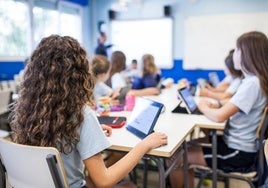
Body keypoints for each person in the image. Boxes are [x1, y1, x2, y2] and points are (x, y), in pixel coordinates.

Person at [9, 35, 168, 188]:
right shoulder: (81, 114)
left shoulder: (29, 110)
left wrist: (90, 132)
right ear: (80, 73)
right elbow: (104, 181)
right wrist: (144, 145)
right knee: (130, 186)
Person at [168, 31, 268, 188]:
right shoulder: (254, 80)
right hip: (238, 145)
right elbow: (232, 103)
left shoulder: (251, 84)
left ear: (248, 54)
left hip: (238, 153)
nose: (234, 55)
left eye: (237, 50)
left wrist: (202, 106)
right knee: (181, 148)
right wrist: (219, 105)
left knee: (176, 157)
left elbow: (220, 117)